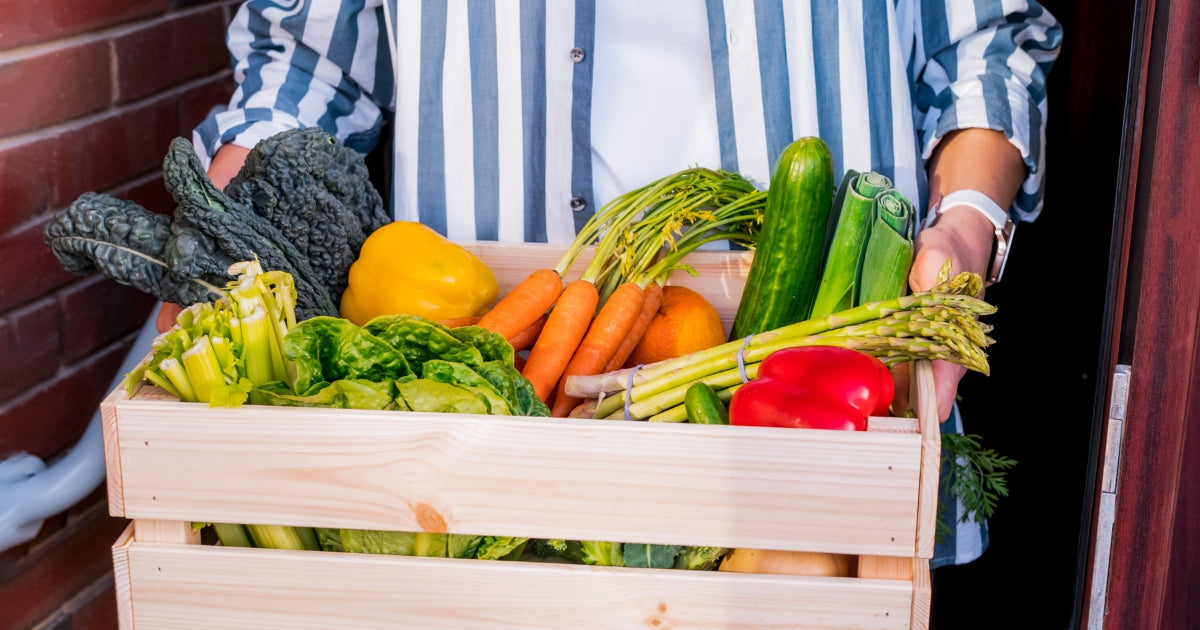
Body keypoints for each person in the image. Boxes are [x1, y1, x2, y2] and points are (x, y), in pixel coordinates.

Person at [163, 0, 1063, 569]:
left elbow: (986, 41)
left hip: (810, 375)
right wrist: (231, 210)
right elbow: (309, 63)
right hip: (485, 414)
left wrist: (967, 223)